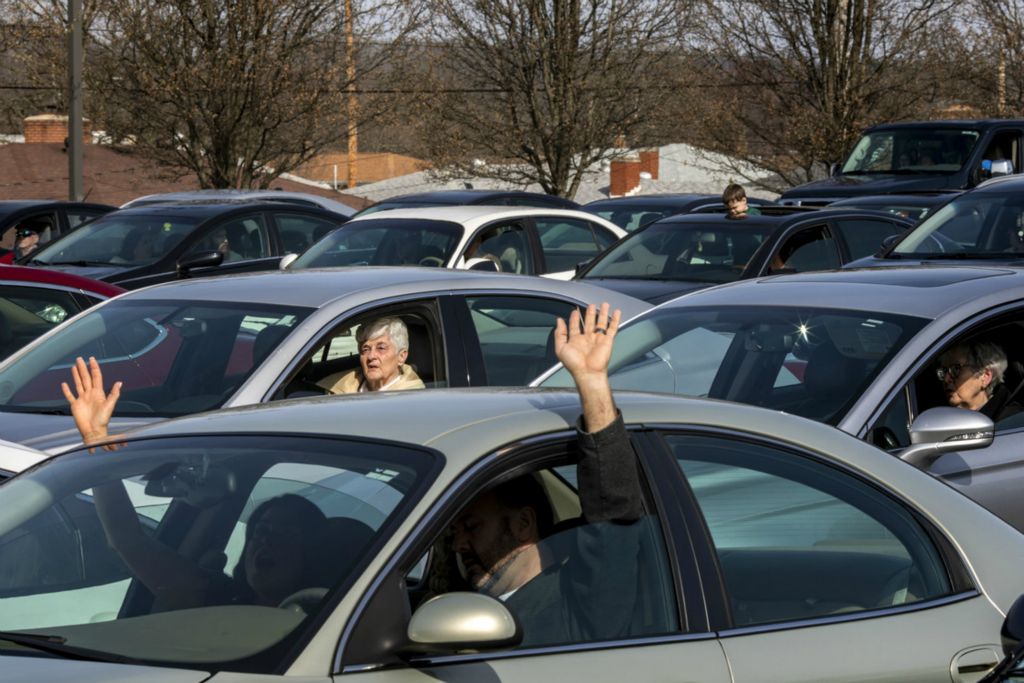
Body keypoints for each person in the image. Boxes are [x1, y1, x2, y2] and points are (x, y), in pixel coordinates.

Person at [60, 357, 336, 611]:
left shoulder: (333, 619)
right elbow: (127, 538)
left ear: (311, 553)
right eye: (260, 530)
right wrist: (97, 439)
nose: (265, 540)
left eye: (285, 534)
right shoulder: (211, 594)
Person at [452, 302, 647, 645]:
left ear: (524, 524)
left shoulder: (576, 608)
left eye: (471, 526)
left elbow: (613, 517)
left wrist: (591, 383)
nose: (458, 544)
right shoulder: (447, 605)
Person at [317, 316, 426, 394]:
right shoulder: (339, 388)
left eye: (381, 348)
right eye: (366, 349)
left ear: (401, 356)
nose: (371, 356)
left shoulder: (413, 399)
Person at [937, 341, 1023, 422]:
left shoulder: (1011, 421)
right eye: (944, 371)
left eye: (956, 369)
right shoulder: (943, 419)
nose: (946, 379)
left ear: (985, 376)